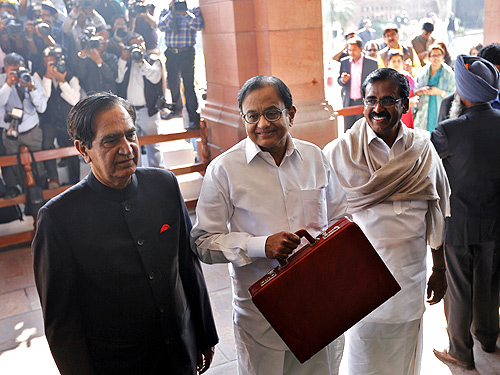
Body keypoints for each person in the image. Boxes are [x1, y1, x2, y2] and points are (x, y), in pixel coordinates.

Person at [32, 92, 218, 375]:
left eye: (131, 135)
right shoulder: (58, 218)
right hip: (117, 366)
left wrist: (204, 336)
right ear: (83, 150)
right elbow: (62, 325)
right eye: (110, 140)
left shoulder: (164, 185)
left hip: (180, 354)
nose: (127, 148)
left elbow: (187, 265)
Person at [191, 75, 348, 375]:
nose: (262, 123)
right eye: (252, 116)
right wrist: (260, 246)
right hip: (261, 320)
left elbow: (341, 217)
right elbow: (203, 242)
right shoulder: (224, 169)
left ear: (291, 114)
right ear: (243, 118)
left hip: (319, 308)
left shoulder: (314, 157)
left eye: (272, 112)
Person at [324, 68, 450, 375]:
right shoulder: (340, 152)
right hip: (360, 286)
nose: (378, 108)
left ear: (405, 105)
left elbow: (435, 214)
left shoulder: (423, 150)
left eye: (389, 100)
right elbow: (324, 220)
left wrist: (440, 268)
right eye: (371, 100)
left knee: (406, 361)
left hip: (409, 281)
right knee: (363, 361)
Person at [431, 55, 500, 371]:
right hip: (494, 222)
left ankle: (460, 350)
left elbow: (433, 174)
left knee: (459, 289)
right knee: (489, 282)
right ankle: (487, 337)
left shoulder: (448, 130)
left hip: (458, 222)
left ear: (463, 90)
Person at [0, 52, 47, 198]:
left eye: (20, 69)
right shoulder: (2, 81)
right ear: (6, 69)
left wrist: (32, 88)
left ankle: (44, 194)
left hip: (31, 131)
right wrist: (8, 84)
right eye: (13, 71)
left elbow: (42, 108)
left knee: (38, 165)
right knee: (16, 167)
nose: (18, 74)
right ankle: (28, 197)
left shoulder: (31, 79)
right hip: (10, 134)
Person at [34, 45, 81, 188]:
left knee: (72, 148)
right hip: (48, 120)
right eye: (47, 63)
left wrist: (62, 81)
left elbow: (75, 100)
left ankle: (75, 181)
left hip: (67, 120)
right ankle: (53, 179)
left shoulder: (69, 73)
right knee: (46, 145)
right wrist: (47, 78)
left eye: (53, 63)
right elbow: (42, 99)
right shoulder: (38, 75)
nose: (50, 66)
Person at [116, 33, 163, 168]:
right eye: (133, 45)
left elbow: (155, 78)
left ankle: (159, 173)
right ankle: (136, 174)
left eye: (139, 44)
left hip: (148, 110)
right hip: (129, 113)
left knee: (153, 145)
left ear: (144, 45)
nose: (137, 48)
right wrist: (123, 59)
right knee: (132, 147)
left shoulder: (153, 60)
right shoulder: (125, 62)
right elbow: (118, 79)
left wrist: (142, 61)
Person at [158, 0, 203, 129]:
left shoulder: (194, 10)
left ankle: (194, 118)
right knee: (172, 82)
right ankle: (175, 109)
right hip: (171, 52)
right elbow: (161, 26)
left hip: (187, 52)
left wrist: (185, 14)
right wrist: (172, 11)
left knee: (188, 85)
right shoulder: (166, 11)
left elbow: (198, 25)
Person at [338, 36, 377, 131]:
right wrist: (343, 80)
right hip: (349, 101)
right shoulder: (345, 62)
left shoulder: (371, 63)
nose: (351, 52)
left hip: (364, 101)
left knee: (365, 129)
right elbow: (339, 80)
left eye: (354, 50)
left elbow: (375, 82)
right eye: (349, 50)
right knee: (348, 130)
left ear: (361, 49)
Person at [413, 44, 455, 132]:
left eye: (439, 55)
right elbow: (414, 90)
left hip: (441, 110)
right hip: (423, 110)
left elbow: (455, 95)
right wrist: (421, 91)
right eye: (433, 56)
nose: (436, 58)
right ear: (429, 57)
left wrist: (440, 92)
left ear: (443, 56)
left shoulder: (449, 74)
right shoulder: (422, 73)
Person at [387, 49, 417, 128]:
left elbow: (412, 94)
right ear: (388, 62)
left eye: (399, 61)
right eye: (393, 61)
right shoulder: (385, 78)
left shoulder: (407, 77)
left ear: (403, 63)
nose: (396, 64)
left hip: (405, 112)